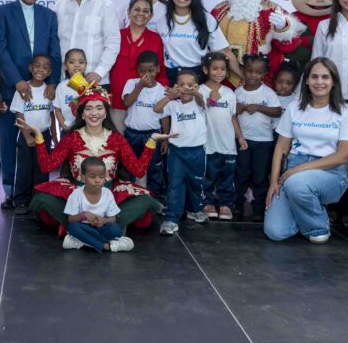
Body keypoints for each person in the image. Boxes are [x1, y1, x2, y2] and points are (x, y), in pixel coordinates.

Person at [17, 82, 168, 232]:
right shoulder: (72, 137)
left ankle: (83, 223)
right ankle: (104, 223)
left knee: (145, 211)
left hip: (109, 193)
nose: (94, 113)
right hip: (76, 193)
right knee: (44, 203)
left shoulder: (116, 139)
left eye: (99, 108)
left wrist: (152, 141)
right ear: (81, 113)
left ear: (105, 112)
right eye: (88, 108)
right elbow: (47, 166)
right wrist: (39, 137)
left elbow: (139, 170)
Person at [264, 58, 348, 243]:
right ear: (306, 80)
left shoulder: (347, 111)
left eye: (325, 77)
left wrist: (298, 170)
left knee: (297, 185)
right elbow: (281, 147)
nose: (319, 82)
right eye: (314, 76)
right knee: (275, 232)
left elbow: (343, 155)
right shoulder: (294, 107)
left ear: (333, 81)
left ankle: (318, 227)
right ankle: (303, 215)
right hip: (293, 168)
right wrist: (274, 182)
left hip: (331, 172)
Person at [0, 0, 61, 207]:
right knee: (10, 141)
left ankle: (37, 191)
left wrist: (52, 82)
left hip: (42, 89)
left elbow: (54, 50)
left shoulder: (49, 16)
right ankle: (10, 190)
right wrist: (16, 80)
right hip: (12, 87)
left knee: (40, 143)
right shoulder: (1, 12)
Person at [211, 0, 300, 86]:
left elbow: (290, 46)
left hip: (260, 83)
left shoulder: (273, 10)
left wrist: (283, 28)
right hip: (223, 80)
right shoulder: (219, 10)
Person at [154, 70, 208, 234]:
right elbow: (157, 109)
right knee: (175, 185)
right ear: (175, 86)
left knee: (195, 183)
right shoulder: (173, 104)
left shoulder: (199, 102)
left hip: (197, 151)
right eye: (181, 85)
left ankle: (194, 209)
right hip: (177, 152)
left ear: (196, 87)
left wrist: (194, 92)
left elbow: (199, 98)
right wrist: (170, 96)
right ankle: (171, 218)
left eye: (190, 85)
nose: (185, 89)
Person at [160, 0, 240, 85]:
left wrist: (243, 76)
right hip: (172, 78)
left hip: (198, 78)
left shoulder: (206, 19)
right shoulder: (162, 21)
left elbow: (225, 51)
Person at [234, 53, 282, 222]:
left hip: (264, 142)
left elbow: (277, 111)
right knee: (241, 173)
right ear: (242, 70)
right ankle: (237, 205)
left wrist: (259, 108)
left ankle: (260, 208)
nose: (253, 75)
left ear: (264, 74)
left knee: (260, 176)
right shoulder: (237, 92)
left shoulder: (268, 93)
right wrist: (237, 109)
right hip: (243, 140)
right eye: (249, 71)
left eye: (258, 72)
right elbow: (232, 114)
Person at [109, 0, 168, 132]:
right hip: (117, 101)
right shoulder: (116, 35)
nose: (141, 13)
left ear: (151, 15)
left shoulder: (155, 39)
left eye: (146, 11)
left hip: (144, 105)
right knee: (118, 147)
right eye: (137, 9)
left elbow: (160, 71)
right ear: (128, 12)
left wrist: (165, 91)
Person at [55, 0, 119, 86]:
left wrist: (99, 72)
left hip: (95, 81)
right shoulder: (59, 6)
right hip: (64, 81)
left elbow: (113, 43)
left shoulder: (105, 6)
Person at [200, 52, 246, 220]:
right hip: (208, 144)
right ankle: (208, 202)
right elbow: (198, 112)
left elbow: (233, 116)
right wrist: (210, 100)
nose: (219, 73)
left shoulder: (229, 93)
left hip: (227, 144)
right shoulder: (199, 91)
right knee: (208, 175)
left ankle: (226, 204)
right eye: (215, 69)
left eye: (223, 69)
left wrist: (240, 137)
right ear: (205, 69)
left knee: (227, 176)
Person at [9, 53, 56, 215]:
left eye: (45, 67)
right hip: (26, 135)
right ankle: (21, 200)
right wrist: (27, 136)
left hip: (43, 136)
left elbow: (51, 115)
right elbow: (18, 115)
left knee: (42, 170)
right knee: (24, 169)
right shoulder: (23, 89)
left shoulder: (49, 92)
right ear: (30, 68)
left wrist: (54, 137)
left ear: (50, 72)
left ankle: (39, 201)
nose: (40, 70)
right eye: (37, 66)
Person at [121, 50, 169, 200]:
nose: (146, 74)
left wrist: (165, 139)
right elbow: (127, 103)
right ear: (137, 70)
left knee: (155, 167)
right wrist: (139, 86)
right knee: (129, 167)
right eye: (142, 71)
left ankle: (154, 199)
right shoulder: (131, 84)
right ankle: (127, 197)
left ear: (158, 69)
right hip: (132, 133)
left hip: (153, 135)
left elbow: (165, 117)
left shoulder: (162, 90)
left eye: (151, 71)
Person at [63, 157, 134, 253]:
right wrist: (84, 215)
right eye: (92, 177)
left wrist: (104, 221)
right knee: (73, 228)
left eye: (101, 177)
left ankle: (82, 242)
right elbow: (70, 219)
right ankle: (105, 245)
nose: (97, 180)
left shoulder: (107, 193)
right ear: (83, 178)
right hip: (84, 228)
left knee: (116, 229)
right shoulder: (76, 194)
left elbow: (112, 219)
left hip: (101, 228)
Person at [54, 49, 87, 134]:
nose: (77, 65)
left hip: (87, 129)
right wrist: (64, 125)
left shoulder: (89, 85)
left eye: (81, 62)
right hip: (68, 129)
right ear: (65, 65)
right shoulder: (61, 87)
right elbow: (57, 109)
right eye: (72, 62)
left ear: (86, 65)